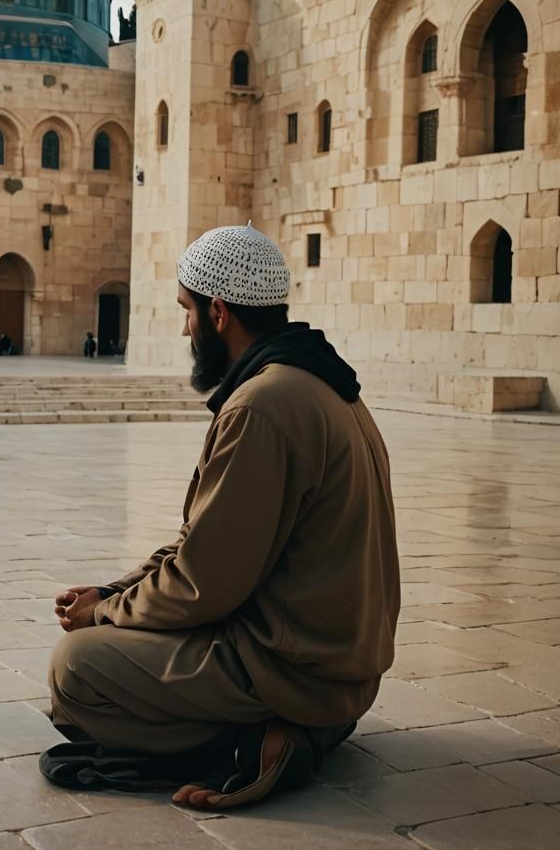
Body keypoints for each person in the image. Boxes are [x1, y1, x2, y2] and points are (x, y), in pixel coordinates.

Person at [45, 224, 399, 811]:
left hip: (298, 670)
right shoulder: (319, 381)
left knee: (76, 670)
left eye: (186, 312)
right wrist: (114, 592)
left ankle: (264, 742)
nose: (184, 330)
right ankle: (299, 727)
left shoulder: (262, 405)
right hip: (337, 665)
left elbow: (203, 583)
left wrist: (102, 615)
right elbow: (207, 544)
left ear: (217, 312)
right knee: (114, 639)